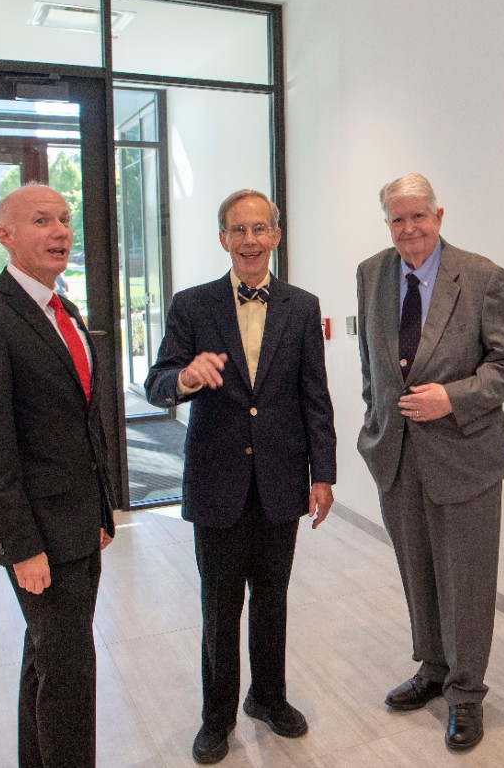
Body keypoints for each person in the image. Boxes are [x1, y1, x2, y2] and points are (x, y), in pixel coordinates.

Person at [144, 189, 336, 764]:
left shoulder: (302, 306)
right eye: (237, 230)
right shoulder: (192, 305)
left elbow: (315, 399)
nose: (249, 240)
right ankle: (216, 717)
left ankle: (269, 698)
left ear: (276, 236)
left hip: (281, 482)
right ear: (222, 238)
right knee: (220, 606)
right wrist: (186, 377)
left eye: (260, 229)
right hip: (218, 482)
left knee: (272, 599)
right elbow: (157, 383)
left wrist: (321, 475)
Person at [355, 173, 504, 752]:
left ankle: (466, 693)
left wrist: (451, 397)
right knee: (418, 571)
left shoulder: (482, 277)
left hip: (464, 455)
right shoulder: (372, 273)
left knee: (468, 581)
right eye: (397, 220)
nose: (409, 230)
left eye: (418, 218)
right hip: (397, 455)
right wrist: (377, 419)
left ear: (439, 215)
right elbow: (371, 363)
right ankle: (432, 667)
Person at [0, 183, 115, 768]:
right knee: (70, 678)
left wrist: (100, 512)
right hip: (39, 537)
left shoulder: (63, 309)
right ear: (5, 236)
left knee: (47, 660)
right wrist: (23, 547)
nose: (61, 231)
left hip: (76, 526)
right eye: (42, 221)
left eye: (65, 219)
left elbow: (81, 423)